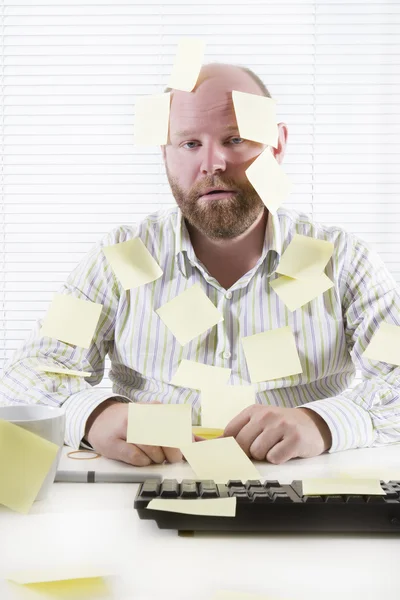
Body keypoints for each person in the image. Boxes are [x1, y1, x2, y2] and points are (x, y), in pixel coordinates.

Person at [1, 62, 400, 468]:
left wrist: (322, 424)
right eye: (190, 144)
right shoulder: (121, 258)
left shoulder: (343, 260)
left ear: (276, 145)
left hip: (302, 493)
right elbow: (29, 373)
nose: (213, 163)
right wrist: (96, 415)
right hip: (146, 490)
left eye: (236, 139)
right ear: (165, 154)